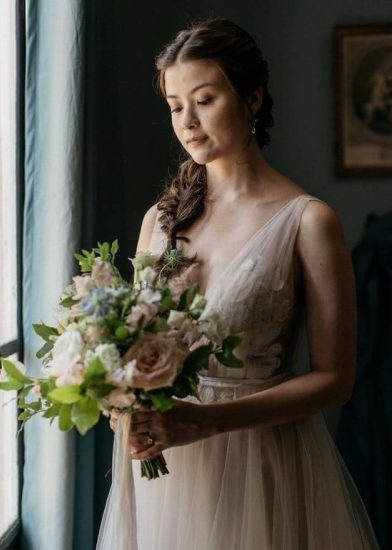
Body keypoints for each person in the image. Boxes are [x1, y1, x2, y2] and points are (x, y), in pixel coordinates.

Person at [98, 19, 380, 550]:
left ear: (252, 99)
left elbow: (335, 379)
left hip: (258, 462)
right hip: (167, 466)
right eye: (175, 106)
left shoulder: (309, 222)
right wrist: (120, 404)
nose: (187, 121)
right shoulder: (159, 220)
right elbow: (128, 346)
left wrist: (206, 423)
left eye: (204, 99)